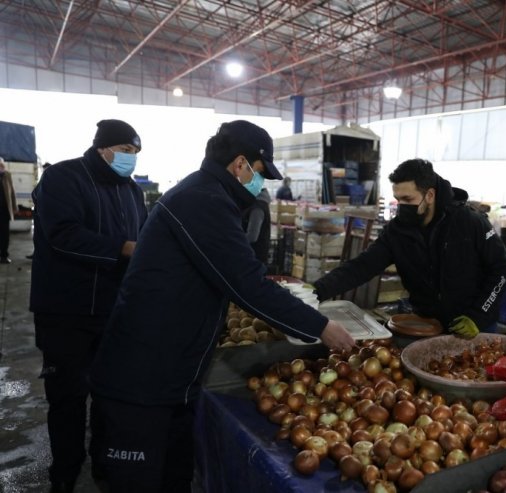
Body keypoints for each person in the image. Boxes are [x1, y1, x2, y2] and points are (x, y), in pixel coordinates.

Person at [89, 120, 355, 492]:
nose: (260, 184)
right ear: (240, 164)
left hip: (170, 375)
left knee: (174, 476)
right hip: (142, 379)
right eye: (260, 173)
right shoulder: (203, 200)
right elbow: (247, 284)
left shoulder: (209, 195)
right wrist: (321, 327)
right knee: (137, 482)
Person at [29, 119, 147, 492]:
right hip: (66, 312)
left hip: (113, 313)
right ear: (103, 148)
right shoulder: (64, 178)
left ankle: (103, 463)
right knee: (67, 397)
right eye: (126, 151)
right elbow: (62, 235)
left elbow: (144, 239)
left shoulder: (131, 191)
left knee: (109, 396)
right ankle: (64, 472)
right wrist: (123, 249)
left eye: (135, 154)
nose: (131, 160)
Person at [314, 158, 506, 337]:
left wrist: (477, 316)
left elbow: (502, 270)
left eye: (408, 200)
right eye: (397, 199)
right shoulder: (397, 232)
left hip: (475, 328)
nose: (401, 206)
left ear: (430, 195)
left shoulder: (469, 223)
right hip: (427, 326)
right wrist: (317, 291)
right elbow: (361, 266)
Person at [243, 187, 271, 264]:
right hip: (252, 255)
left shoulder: (257, 208)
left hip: (254, 257)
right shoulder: (254, 204)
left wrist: (234, 241)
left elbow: (252, 236)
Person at [0, 157, 18, 263]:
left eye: (1, 165)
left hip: (4, 211)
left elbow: (12, 192)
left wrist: (14, 207)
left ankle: (4, 255)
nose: (0, 167)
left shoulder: (7, 175)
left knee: (5, 234)